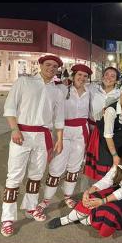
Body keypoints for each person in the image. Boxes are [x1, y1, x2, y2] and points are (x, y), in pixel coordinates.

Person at [0, 55, 65, 237]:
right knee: (14, 177)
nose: (51, 68)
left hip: (43, 136)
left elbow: (59, 118)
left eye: (55, 66)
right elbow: (10, 107)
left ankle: (30, 207)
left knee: (36, 175)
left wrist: (59, 139)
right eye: (48, 65)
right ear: (41, 65)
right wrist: (14, 129)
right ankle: (7, 218)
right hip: (22, 133)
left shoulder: (57, 91)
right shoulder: (24, 82)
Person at [46, 138, 122, 237]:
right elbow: (107, 180)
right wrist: (88, 191)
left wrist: (103, 201)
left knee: (109, 212)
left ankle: (81, 218)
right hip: (118, 190)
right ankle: (65, 220)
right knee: (91, 197)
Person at [35, 64, 92, 216]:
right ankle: (46, 199)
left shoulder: (90, 91)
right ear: (73, 76)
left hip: (81, 131)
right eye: (79, 75)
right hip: (63, 130)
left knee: (74, 166)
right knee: (56, 165)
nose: (82, 78)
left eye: (85, 76)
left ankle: (68, 196)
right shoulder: (62, 88)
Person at [84, 83, 122, 181]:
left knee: (120, 167)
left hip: (119, 136)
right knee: (108, 163)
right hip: (105, 138)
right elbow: (108, 136)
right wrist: (115, 155)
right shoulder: (111, 111)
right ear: (120, 95)